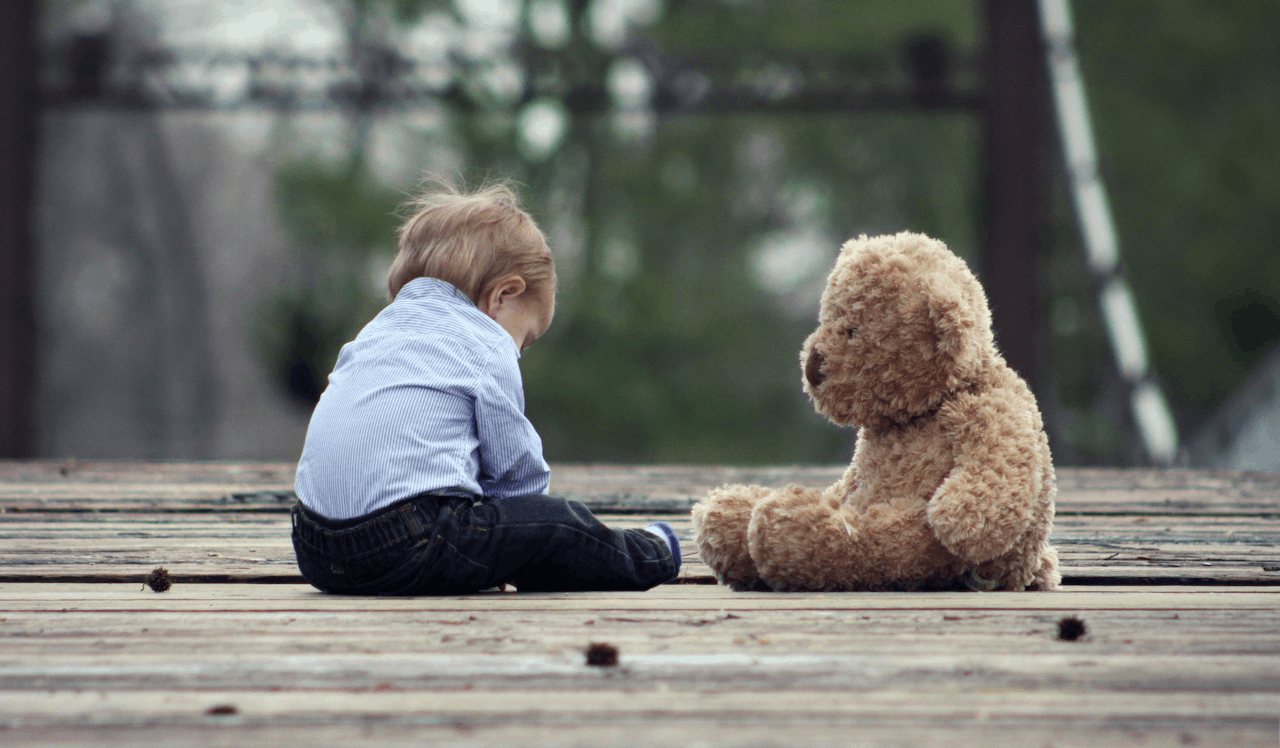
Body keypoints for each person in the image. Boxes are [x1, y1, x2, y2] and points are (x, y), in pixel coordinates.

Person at [290, 180, 681, 595]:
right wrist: (525, 537)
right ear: (503, 295)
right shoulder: (486, 341)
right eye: (526, 339)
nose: (518, 351)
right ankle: (653, 552)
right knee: (560, 523)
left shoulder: (374, 332)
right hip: (407, 544)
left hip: (314, 548)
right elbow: (516, 475)